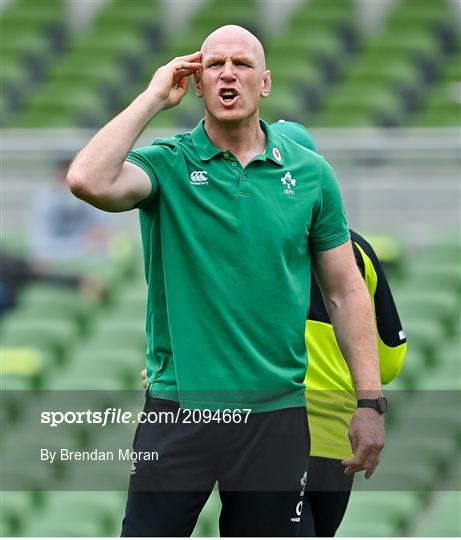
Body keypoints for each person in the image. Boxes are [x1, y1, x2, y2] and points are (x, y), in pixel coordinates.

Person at [67, 25, 386, 537]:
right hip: (178, 408)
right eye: (214, 65)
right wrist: (152, 96)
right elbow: (87, 180)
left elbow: (345, 290)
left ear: (265, 83)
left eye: (241, 64)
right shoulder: (168, 164)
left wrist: (369, 401)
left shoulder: (310, 173)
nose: (227, 74)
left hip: (276, 413)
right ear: (197, 83)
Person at [271, 120, 407, 536]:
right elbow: (389, 362)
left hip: (267, 434)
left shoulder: (251, 243)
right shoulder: (358, 250)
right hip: (337, 441)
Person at [29, 159, 112, 264]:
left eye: (74, 180)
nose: (69, 186)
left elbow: (105, 240)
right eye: (64, 179)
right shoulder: (45, 203)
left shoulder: (92, 198)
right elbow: (41, 250)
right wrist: (83, 242)